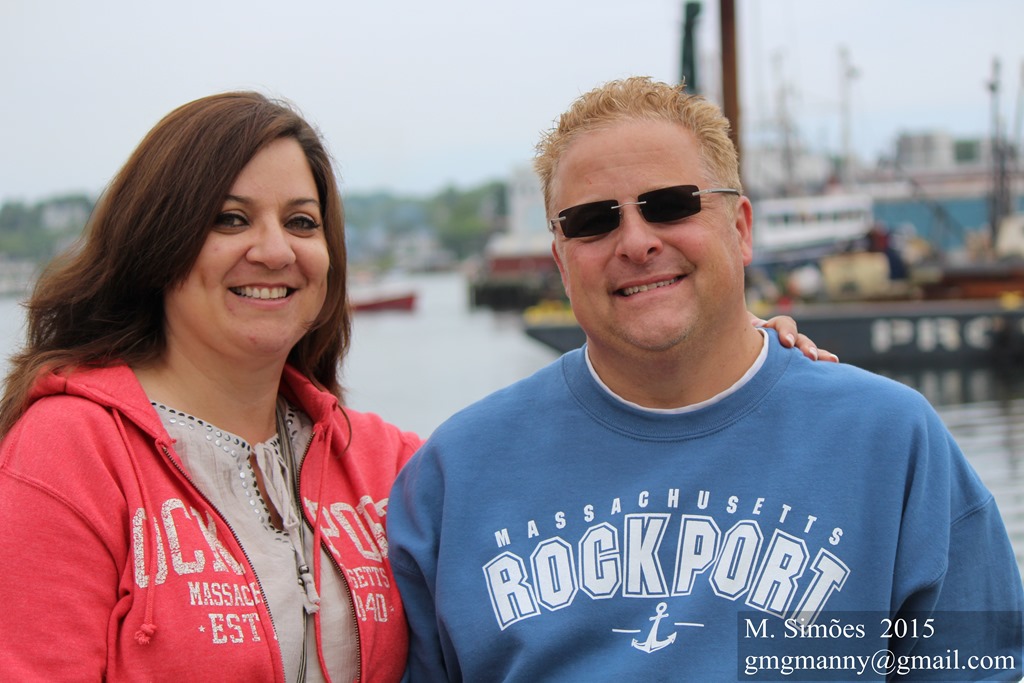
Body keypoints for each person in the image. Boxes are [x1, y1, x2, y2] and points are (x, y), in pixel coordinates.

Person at [0, 91, 825, 682]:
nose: (274, 249)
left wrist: (748, 360)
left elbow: (578, 478)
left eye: (301, 221)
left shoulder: (388, 467)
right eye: (230, 219)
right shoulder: (68, 454)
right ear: (157, 241)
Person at [387, 77, 1024, 681]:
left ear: (740, 229)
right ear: (560, 260)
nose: (636, 242)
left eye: (671, 206)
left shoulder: (892, 445)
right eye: (593, 221)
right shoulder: (455, 477)